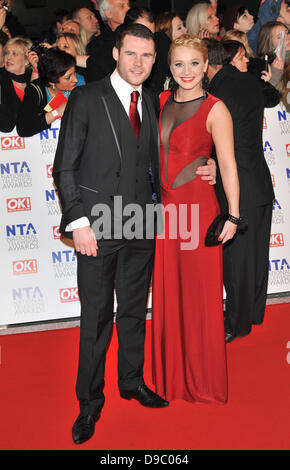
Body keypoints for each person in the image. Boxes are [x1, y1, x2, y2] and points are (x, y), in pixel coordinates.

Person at [52, 22, 169, 446]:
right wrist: (78, 222)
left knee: (134, 311)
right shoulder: (85, 97)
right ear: (117, 53)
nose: (139, 63)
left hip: (142, 225)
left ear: (155, 60)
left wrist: (205, 172)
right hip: (97, 227)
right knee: (96, 318)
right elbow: (64, 166)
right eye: (132, 53)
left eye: (147, 55)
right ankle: (89, 402)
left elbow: (160, 162)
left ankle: (132, 381)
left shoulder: (154, 101)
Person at [151, 34, 240, 404]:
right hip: (165, 215)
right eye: (178, 64)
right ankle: (172, 377)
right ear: (168, 67)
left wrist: (233, 215)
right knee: (169, 293)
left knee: (200, 296)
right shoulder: (157, 101)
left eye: (193, 63)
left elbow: (230, 165)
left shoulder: (216, 109)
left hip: (199, 212)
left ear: (206, 66)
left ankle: (202, 381)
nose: (186, 72)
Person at [205, 38, 275, 343]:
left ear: (206, 63)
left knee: (236, 262)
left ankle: (236, 323)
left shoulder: (217, 93)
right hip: (259, 182)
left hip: (237, 187)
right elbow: (272, 96)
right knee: (257, 256)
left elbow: (219, 144)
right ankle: (255, 313)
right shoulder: (247, 82)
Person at [16, 48, 79, 137]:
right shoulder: (35, 91)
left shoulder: (80, 86)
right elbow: (23, 129)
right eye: (68, 77)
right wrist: (56, 113)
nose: (75, 79)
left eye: (74, 73)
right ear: (52, 81)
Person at [85, 0, 130, 82]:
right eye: (122, 6)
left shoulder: (137, 36)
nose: (128, 8)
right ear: (108, 13)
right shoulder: (96, 45)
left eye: (128, 5)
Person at [146, 11, 187, 94]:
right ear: (167, 33)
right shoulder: (162, 58)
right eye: (179, 28)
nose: (185, 30)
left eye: (184, 26)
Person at [0, 36, 34, 132]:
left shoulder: (35, 81)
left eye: (14, 54)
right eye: (7, 53)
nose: (8, 57)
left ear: (27, 61)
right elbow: (5, 125)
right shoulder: (2, 80)